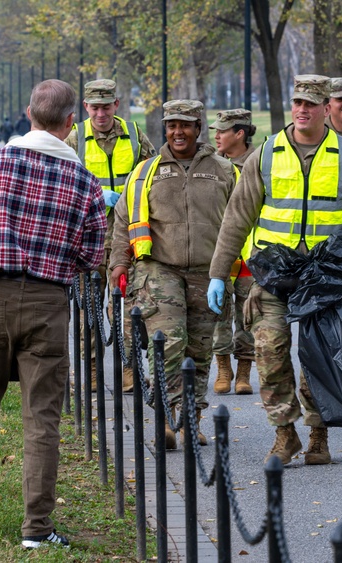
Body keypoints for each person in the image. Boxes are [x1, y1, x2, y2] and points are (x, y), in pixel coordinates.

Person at [0, 79, 106, 549]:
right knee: (43, 419)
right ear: (71, 124)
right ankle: (37, 528)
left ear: (28, 113)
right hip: (49, 305)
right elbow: (93, 255)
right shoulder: (85, 183)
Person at [207, 75, 342, 466]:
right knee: (269, 351)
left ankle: (318, 434)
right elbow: (237, 217)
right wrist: (219, 273)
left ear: (325, 109)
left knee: (320, 358)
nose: (302, 110)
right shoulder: (267, 154)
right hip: (272, 274)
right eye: (297, 103)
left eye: (311, 104)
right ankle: (285, 434)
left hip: (324, 278)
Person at [110, 99, 237, 450]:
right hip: (158, 270)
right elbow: (123, 221)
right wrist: (118, 265)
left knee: (198, 352)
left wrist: (239, 274)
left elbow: (242, 221)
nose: (177, 132)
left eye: (185, 125)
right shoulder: (146, 171)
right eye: (171, 125)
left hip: (208, 274)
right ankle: (167, 418)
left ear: (199, 127)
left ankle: (189, 421)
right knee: (168, 345)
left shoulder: (225, 171)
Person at [65, 79, 155, 393]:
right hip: (88, 238)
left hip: (126, 239)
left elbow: (151, 177)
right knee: (87, 311)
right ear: (86, 108)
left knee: (130, 308)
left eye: (106, 106)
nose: (101, 113)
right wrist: (93, 195)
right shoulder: (74, 139)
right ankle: (89, 374)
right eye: (95, 107)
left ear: (116, 105)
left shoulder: (134, 135)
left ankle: (130, 371)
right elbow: (61, 184)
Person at [209, 109, 258, 396]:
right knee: (219, 313)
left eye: (222, 131)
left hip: (251, 252)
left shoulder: (260, 161)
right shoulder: (213, 165)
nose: (216, 136)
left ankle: (244, 372)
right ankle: (223, 369)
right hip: (221, 250)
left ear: (239, 133)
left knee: (247, 315)